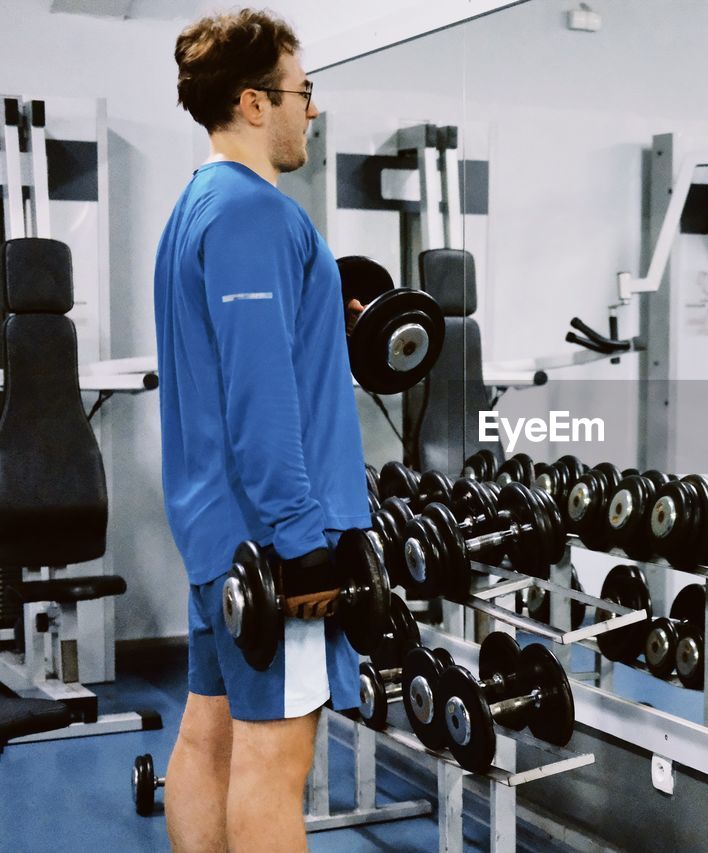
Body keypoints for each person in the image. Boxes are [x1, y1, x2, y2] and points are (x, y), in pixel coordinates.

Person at [154, 9, 369, 851]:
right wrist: (304, 541)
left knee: (207, 741)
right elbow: (259, 396)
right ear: (253, 102)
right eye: (301, 92)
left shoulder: (197, 209)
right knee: (273, 768)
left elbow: (246, 358)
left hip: (219, 539)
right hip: (273, 545)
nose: (309, 109)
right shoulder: (252, 215)